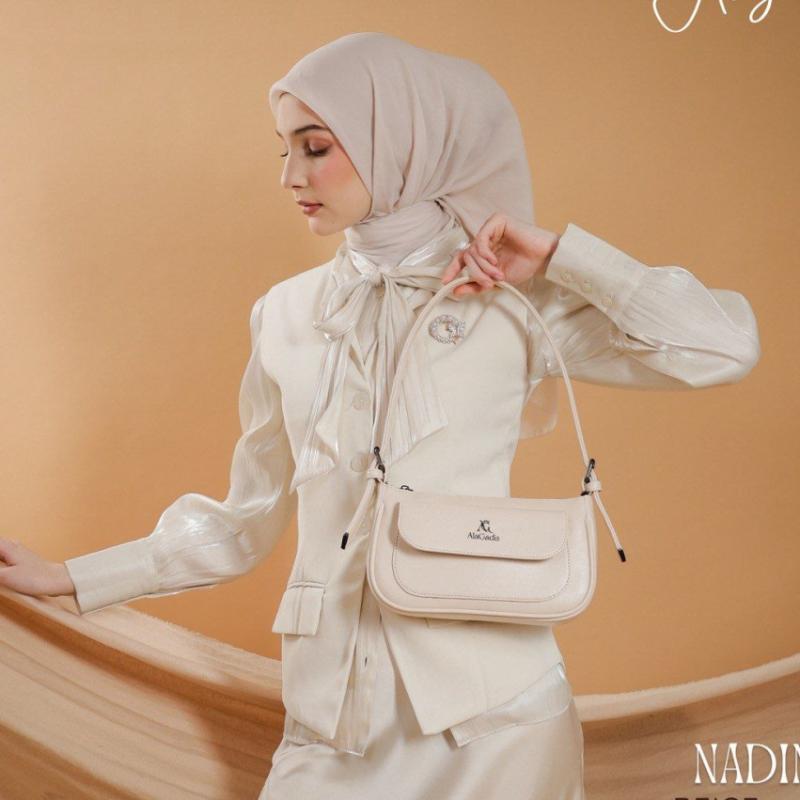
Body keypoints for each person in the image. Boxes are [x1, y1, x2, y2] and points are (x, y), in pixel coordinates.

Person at [0, 32, 760, 799]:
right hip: (332, 723)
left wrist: (564, 257)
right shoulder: (284, 315)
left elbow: (723, 347)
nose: (291, 175)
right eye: (284, 150)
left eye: (316, 147)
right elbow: (245, 522)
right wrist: (71, 577)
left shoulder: (510, 301)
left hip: (497, 720)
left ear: (400, 144)